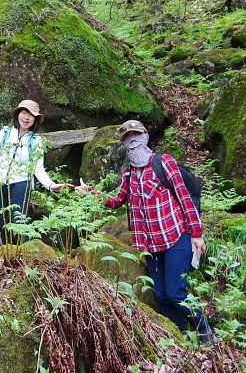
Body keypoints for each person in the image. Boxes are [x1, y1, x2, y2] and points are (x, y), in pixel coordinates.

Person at [76, 119, 214, 344]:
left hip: (176, 236)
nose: (132, 141)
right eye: (127, 138)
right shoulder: (128, 174)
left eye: (136, 135)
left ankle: (205, 332)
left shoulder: (164, 163)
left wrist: (196, 233)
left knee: (176, 292)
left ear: (145, 137)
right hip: (150, 244)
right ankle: (181, 335)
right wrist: (90, 192)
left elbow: (184, 197)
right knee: (161, 296)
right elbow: (116, 200)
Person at [0, 100, 72, 250]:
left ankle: (24, 256)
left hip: (21, 183)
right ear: (18, 114)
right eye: (24, 113)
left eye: (31, 115)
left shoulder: (37, 141)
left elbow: (38, 169)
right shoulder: (5, 133)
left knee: (20, 220)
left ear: (35, 120)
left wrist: (51, 185)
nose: (26, 118)